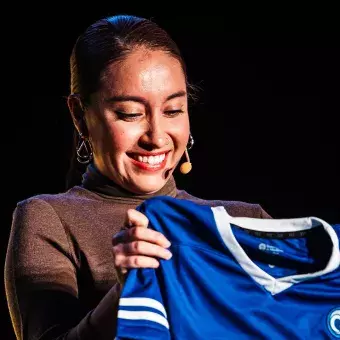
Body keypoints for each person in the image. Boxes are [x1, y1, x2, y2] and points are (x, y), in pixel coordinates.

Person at [4, 14, 272, 340]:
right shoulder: (48, 218)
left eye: (173, 111)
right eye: (130, 114)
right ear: (80, 117)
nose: (156, 136)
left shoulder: (246, 220)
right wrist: (124, 293)